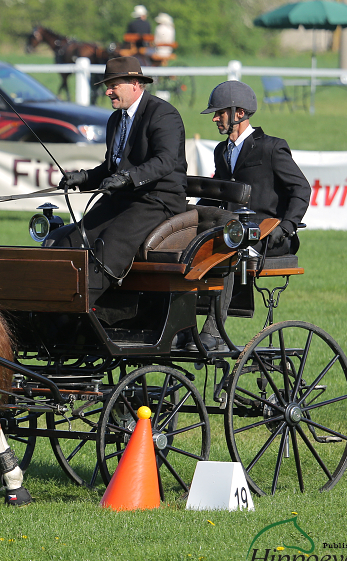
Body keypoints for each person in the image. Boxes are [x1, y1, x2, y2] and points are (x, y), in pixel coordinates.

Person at [188, 80, 311, 351]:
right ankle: (184, 328)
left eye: (219, 113)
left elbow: (301, 189)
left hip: (268, 237)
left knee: (228, 250)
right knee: (188, 249)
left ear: (239, 114)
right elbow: (216, 193)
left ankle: (214, 331)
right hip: (230, 232)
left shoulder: (271, 148)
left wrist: (286, 227)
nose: (215, 119)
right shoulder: (222, 152)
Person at [50, 56, 188, 296]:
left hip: (156, 200)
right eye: (107, 86)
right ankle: (53, 300)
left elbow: (165, 161)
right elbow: (112, 166)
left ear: (135, 83)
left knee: (107, 248)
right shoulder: (116, 119)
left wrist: (128, 178)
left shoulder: (163, 114)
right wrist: (83, 178)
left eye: (113, 85)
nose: (108, 92)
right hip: (122, 199)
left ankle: (83, 311)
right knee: (69, 241)